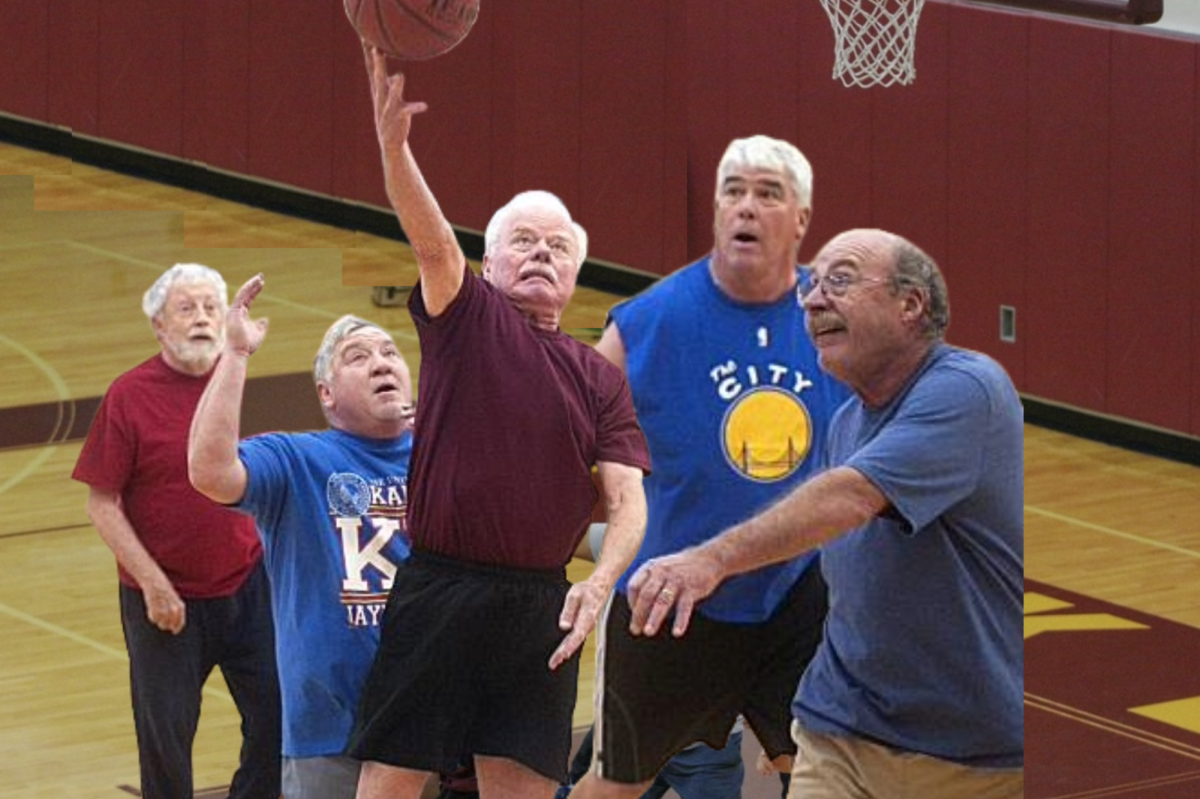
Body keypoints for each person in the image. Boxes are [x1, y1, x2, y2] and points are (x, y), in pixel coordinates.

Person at [348, 46, 651, 799]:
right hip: (440, 587)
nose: (542, 253)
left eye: (558, 247)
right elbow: (430, 237)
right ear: (490, 262)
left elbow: (628, 498)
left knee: (521, 787)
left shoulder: (598, 377)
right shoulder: (469, 316)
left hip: (542, 603)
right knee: (389, 782)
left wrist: (603, 578)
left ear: (576, 277)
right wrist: (394, 151)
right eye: (524, 240)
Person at [625, 229, 1024, 799]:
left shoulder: (969, 389)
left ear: (911, 305)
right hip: (838, 728)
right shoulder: (846, 423)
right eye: (812, 287)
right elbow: (844, 578)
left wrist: (709, 560)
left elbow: (849, 497)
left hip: (968, 754)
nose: (812, 300)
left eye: (839, 280)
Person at [570, 135, 851, 799]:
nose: (746, 208)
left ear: (802, 220)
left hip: (798, 595)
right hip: (670, 601)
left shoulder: (837, 319)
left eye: (767, 194)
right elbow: (569, 452)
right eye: (734, 192)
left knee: (826, 776)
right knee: (616, 783)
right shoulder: (647, 322)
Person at [187, 275, 421, 799]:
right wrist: (236, 354)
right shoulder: (298, 459)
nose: (382, 362)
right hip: (331, 732)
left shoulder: (445, 453)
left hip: (442, 724)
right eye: (358, 357)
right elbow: (210, 471)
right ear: (326, 394)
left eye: (390, 352)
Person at [71, 263, 281, 799]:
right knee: (166, 741)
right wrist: (153, 583)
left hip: (247, 585)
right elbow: (103, 503)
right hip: (165, 600)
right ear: (159, 327)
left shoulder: (230, 383)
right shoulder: (129, 395)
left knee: (278, 718)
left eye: (212, 307)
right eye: (186, 309)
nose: (202, 319)